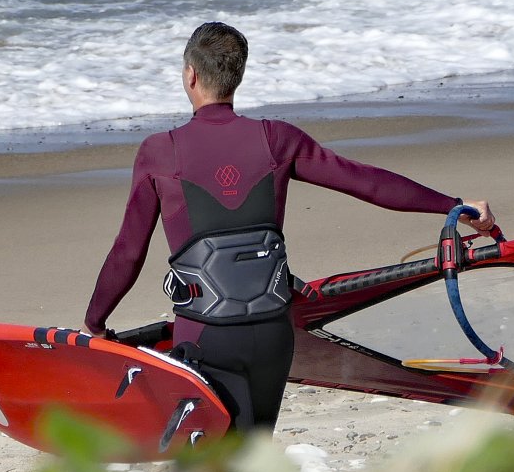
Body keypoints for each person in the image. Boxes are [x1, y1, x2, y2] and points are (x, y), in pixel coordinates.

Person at [85, 22, 493, 433]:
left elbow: (128, 251)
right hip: (273, 336)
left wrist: (96, 323)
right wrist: (455, 206)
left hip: (207, 335)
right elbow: (367, 182)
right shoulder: (277, 140)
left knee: (219, 464)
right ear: (237, 76)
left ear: (190, 74)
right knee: (254, 454)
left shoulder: (159, 152)